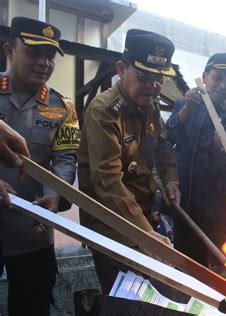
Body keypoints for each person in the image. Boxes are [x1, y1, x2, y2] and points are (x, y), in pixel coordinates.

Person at [78, 29, 180, 294]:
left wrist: (171, 179)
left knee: (154, 298)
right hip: (111, 221)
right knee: (126, 299)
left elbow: (163, 147)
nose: (153, 86)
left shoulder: (150, 105)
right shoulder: (104, 111)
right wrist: (145, 235)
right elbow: (108, 182)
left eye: (159, 78)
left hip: (143, 216)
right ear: (122, 68)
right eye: (144, 76)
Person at [0, 17, 80, 315]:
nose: (43, 63)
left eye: (49, 56)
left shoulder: (62, 107)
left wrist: (57, 195)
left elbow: (65, 158)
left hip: (32, 227)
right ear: (9, 49)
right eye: (33, 53)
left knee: (32, 307)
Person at [166, 53, 226, 265]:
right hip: (186, 203)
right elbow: (169, 136)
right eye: (218, 78)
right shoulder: (185, 104)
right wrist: (187, 108)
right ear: (204, 76)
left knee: (223, 269)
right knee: (189, 266)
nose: (224, 86)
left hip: (222, 210)